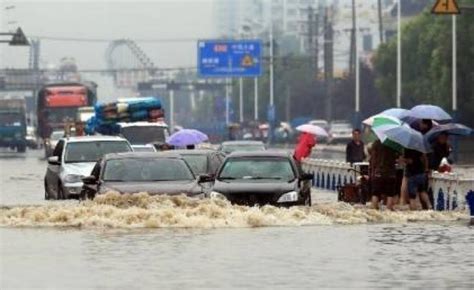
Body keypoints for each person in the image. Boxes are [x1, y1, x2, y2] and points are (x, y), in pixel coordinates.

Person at [369, 140, 399, 210]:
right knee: (390, 194)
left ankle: (374, 211)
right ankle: (388, 211)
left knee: (375, 194)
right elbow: (397, 157)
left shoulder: (376, 143)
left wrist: (372, 172)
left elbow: (373, 159)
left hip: (379, 172)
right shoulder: (394, 144)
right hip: (390, 173)